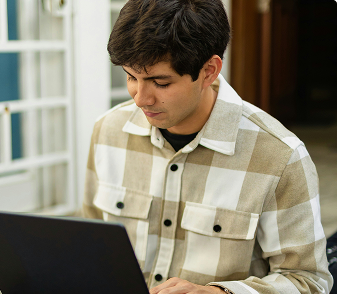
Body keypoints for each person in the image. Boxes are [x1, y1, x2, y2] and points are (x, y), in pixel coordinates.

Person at [82, 0, 333, 293]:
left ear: (209, 71)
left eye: (160, 83)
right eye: (131, 77)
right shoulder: (108, 131)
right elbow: (91, 247)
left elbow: (309, 281)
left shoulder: (280, 156)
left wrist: (218, 293)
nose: (140, 98)